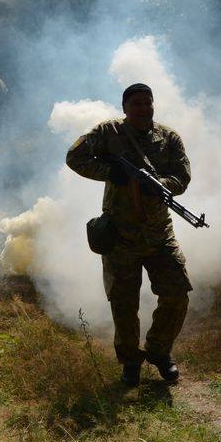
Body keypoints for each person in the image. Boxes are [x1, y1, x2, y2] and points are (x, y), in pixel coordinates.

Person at [66, 83, 193, 387]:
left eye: (147, 103)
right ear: (125, 107)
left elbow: (182, 177)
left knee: (177, 293)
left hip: (159, 234)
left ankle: (159, 352)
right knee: (124, 305)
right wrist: (111, 173)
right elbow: (75, 157)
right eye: (136, 103)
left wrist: (159, 183)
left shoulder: (169, 138)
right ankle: (130, 362)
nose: (143, 108)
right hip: (120, 235)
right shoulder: (108, 132)